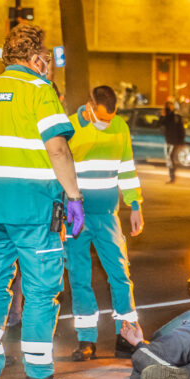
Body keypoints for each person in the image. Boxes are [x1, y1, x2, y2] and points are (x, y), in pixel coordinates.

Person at [0, 23, 84, 379]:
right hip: (32, 211)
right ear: (35, 58)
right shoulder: (38, 90)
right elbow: (58, 149)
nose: (46, 64)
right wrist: (74, 196)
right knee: (41, 292)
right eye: (44, 58)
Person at [65, 85, 144, 361]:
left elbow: (127, 168)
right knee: (79, 277)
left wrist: (135, 204)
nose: (105, 123)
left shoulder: (119, 126)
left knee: (120, 275)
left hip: (108, 216)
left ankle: (126, 336)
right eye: (100, 117)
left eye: (109, 118)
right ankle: (86, 341)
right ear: (89, 105)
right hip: (76, 216)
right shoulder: (70, 127)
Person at [160, 101, 185, 183]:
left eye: (170, 106)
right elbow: (160, 124)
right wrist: (162, 115)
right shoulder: (166, 116)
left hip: (175, 141)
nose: (169, 108)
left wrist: (181, 141)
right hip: (168, 140)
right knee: (169, 158)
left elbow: (181, 129)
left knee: (171, 157)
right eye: (167, 106)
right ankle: (171, 176)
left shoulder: (176, 116)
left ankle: (172, 177)